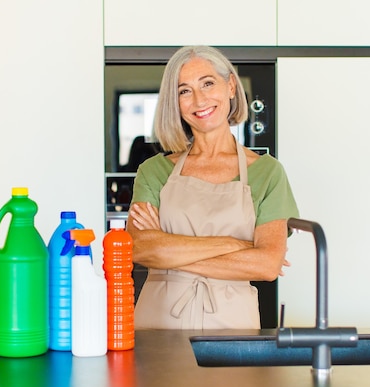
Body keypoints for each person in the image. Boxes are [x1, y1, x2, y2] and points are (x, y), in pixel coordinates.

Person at [127, 45, 299, 330]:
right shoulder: (154, 171)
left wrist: (168, 250)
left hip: (232, 326)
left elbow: (267, 265)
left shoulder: (267, 173)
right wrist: (234, 246)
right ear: (175, 102)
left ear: (230, 86)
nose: (199, 99)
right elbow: (139, 249)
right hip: (157, 326)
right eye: (184, 91)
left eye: (208, 83)